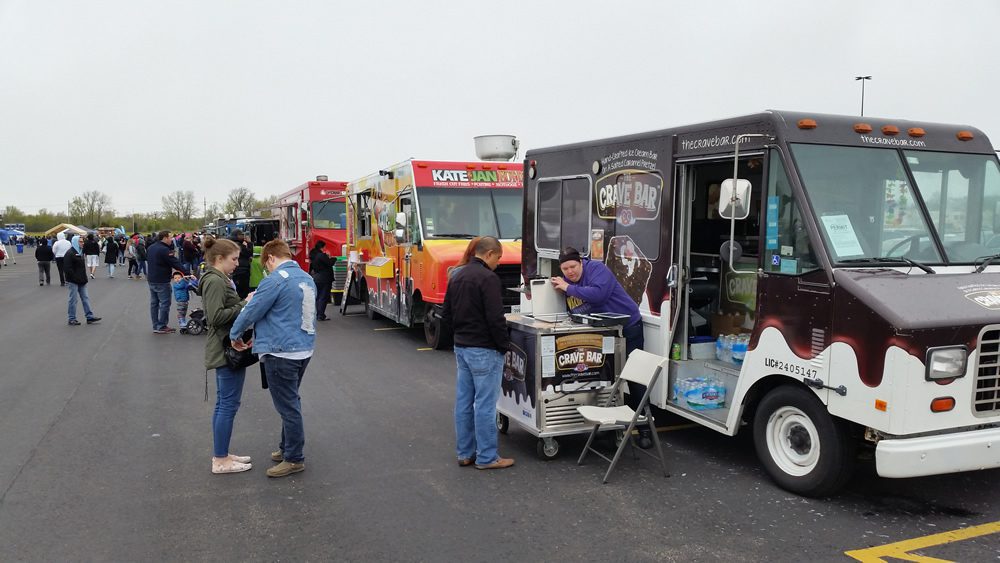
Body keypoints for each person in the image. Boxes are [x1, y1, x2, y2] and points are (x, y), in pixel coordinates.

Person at [229, 239, 316, 478]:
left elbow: (252, 310)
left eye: (265, 265)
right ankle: (286, 448)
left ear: (270, 258)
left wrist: (235, 334)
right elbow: (288, 314)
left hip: (280, 351)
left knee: (288, 406)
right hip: (302, 348)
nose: (266, 269)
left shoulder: (274, 280)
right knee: (291, 400)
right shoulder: (306, 278)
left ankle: (294, 458)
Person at [550, 247, 652, 448]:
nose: (570, 272)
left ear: (581, 262)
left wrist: (567, 287)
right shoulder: (568, 281)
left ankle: (645, 429)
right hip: (604, 331)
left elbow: (598, 296)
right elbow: (582, 305)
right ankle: (607, 427)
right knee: (602, 377)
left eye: (572, 266)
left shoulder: (597, 269)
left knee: (634, 378)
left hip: (628, 326)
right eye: (565, 269)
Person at [441, 236, 514, 470]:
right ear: (490, 253)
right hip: (485, 348)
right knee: (484, 405)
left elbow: (447, 313)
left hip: (462, 346)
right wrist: (504, 344)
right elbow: (495, 318)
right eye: (499, 258)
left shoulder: (457, 274)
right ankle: (487, 457)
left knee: (463, 401)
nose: (499, 263)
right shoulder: (488, 278)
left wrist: (459, 336)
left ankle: (465, 453)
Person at [200, 237, 254, 474]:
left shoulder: (219, 279)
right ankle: (220, 459)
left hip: (226, 346)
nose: (237, 263)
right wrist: (244, 304)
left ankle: (222, 454)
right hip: (224, 349)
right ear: (219, 259)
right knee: (227, 405)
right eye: (234, 259)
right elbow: (214, 317)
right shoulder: (215, 281)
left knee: (225, 403)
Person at [147, 230, 190, 334]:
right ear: (165, 238)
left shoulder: (150, 247)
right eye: (170, 237)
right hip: (162, 280)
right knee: (165, 303)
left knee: (154, 303)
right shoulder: (165, 250)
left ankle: (155, 325)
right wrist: (187, 273)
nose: (172, 240)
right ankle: (162, 326)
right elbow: (175, 263)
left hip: (152, 279)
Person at [64, 235, 101, 326]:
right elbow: (67, 268)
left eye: (83, 241)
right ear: (75, 242)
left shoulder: (80, 252)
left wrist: (84, 278)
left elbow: (82, 268)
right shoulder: (70, 253)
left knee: (85, 298)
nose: (83, 243)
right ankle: (71, 318)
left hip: (82, 280)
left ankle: (89, 316)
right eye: (80, 242)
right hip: (74, 281)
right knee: (73, 299)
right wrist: (74, 278)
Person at [308, 241, 334, 321]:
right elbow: (330, 263)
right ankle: (321, 315)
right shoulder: (322, 256)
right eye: (324, 247)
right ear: (321, 247)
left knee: (318, 297)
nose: (325, 249)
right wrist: (333, 258)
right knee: (323, 297)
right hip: (325, 278)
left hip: (316, 278)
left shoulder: (313, 256)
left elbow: (311, 268)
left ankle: (318, 314)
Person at [229, 230, 253, 299]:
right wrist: (249, 242)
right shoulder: (238, 245)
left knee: (241, 290)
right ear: (236, 236)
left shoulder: (234, 244)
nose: (243, 237)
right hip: (241, 271)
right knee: (242, 292)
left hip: (239, 271)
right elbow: (249, 252)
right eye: (241, 235)